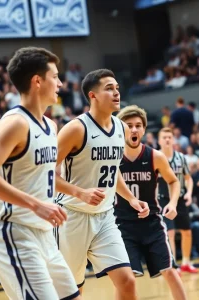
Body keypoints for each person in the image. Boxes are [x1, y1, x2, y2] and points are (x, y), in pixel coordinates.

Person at [0, 47, 80, 300]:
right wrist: (37, 206)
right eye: (55, 76)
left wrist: (77, 192)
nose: (60, 83)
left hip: (44, 234)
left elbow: (40, 179)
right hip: (13, 232)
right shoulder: (15, 123)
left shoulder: (51, 126)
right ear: (37, 81)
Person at [55, 69, 149, 300]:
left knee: (127, 281)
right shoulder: (76, 128)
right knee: (72, 290)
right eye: (109, 88)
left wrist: (131, 198)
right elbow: (43, 173)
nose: (116, 93)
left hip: (105, 216)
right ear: (93, 95)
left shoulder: (121, 128)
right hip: (72, 217)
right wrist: (80, 193)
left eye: (117, 88)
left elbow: (113, 169)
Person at [115, 106, 187, 300]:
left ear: (144, 130)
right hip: (122, 225)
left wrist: (172, 203)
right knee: (126, 279)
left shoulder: (155, 156)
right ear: (121, 129)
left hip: (152, 224)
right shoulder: (112, 157)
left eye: (138, 126)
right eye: (129, 126)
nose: (134, 130)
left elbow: (173, 181)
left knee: (170, 271)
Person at [157, 127, 198, 273]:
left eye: (169, 137)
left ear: (173, 140)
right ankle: (173, 264)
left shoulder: (181, 157)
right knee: (170, 232)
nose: (167, 139)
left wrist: (189, 193)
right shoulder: (155, 157)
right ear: (159, 140)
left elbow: (188, 179)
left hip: (180, 198)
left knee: (187, 231)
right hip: (163, 199)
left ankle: (186, 262)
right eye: (164, 137)